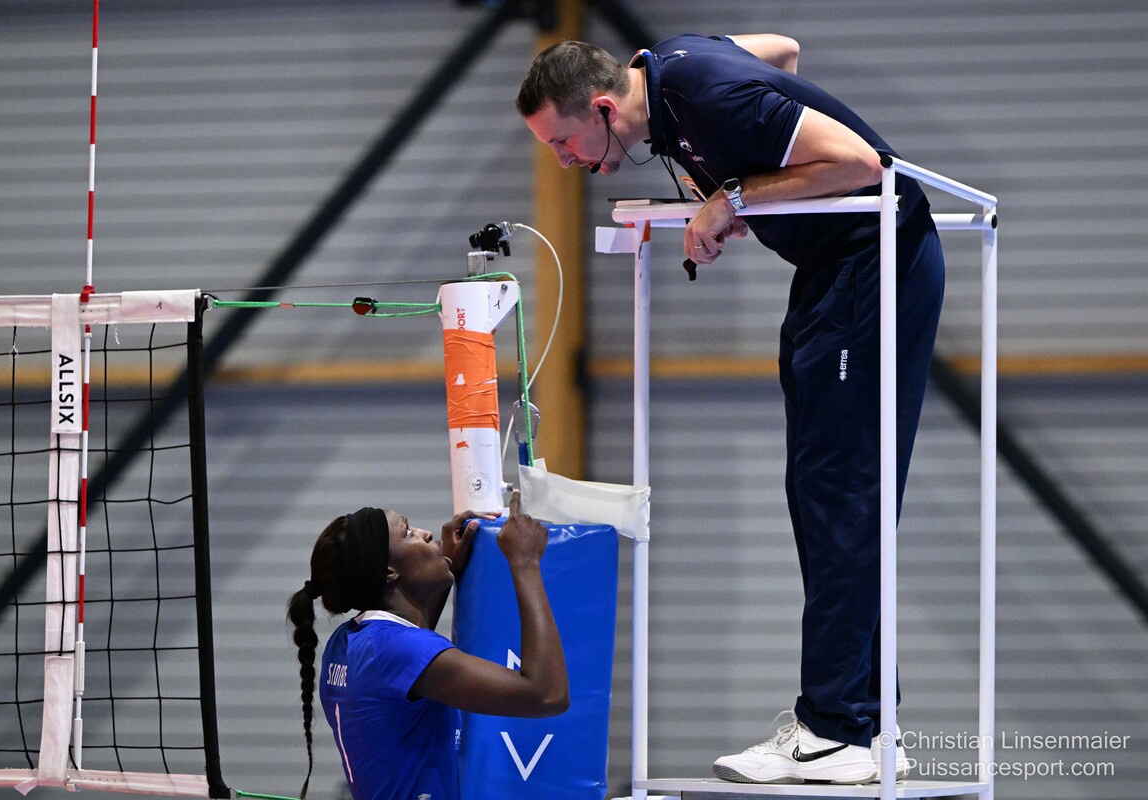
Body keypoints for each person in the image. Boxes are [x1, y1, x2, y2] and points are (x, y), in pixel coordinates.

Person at [518, 34, 944, 785]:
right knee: (824, 495)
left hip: (873, 264)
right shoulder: (671, 75)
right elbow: (781, 53)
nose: (561, 161)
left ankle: (835, 729)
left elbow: (862, 164)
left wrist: (736, 196)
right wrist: (765, 179)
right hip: (835, 272)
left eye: (562, 142)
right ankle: (870, 725)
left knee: (837, 493)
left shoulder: (705, 93)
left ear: (606, 109)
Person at [286, 490, 568, 800]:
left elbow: (409, 658)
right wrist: (525, 561)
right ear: (388, 571)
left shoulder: (347, 642)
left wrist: (447, 566)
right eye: (408, 532)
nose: (426, 533)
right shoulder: (396, 650)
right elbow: (547, 695)